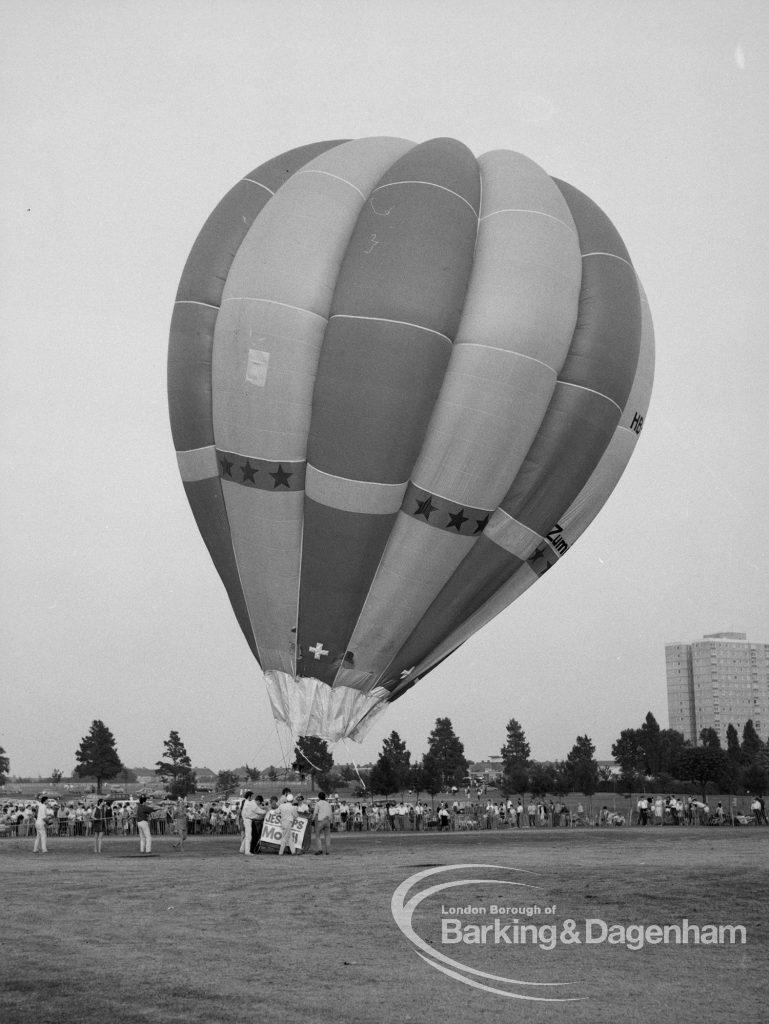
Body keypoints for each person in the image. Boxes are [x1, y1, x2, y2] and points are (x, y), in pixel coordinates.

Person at [313, 791, 333, 855]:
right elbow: (331, 813)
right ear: (325, 797)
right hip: (327, 820)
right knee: (327, 836)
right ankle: (328, 851)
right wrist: (331, 821)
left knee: (317, 835)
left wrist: (312, 819)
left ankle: (319, 850)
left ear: (319, 797)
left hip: (321, 821)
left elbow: (315, 813)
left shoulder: (318, 803)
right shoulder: (328, 804)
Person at [239, 791, 258, 855]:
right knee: (248, 836)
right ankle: (246, 851)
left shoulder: (244, 801)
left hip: (244, 819)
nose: (253, 797)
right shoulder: (247, 802)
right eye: (252, 796)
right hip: (246, 820)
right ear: (249, 796)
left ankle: (242, 849)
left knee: (246, 835)